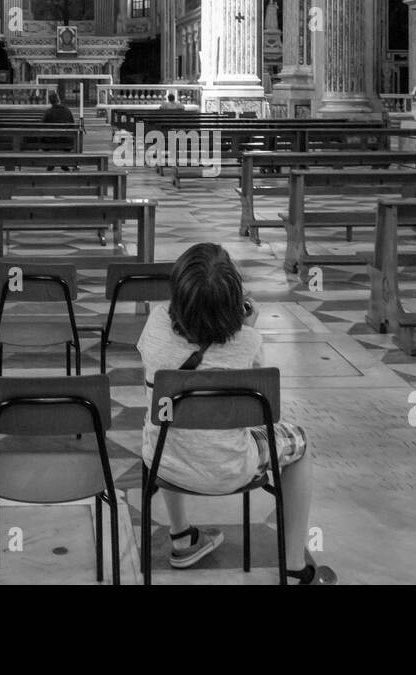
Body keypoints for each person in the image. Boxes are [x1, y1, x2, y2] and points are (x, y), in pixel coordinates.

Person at [138, 242, 334, 584]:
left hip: (162, 458)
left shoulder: (155, 323)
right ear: (233, 298)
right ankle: (294, 565)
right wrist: (249, 328)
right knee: (299, 445)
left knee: (173, 424)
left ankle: (181, 536)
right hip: (231, 466)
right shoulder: (247, 341)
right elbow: (260, 414)